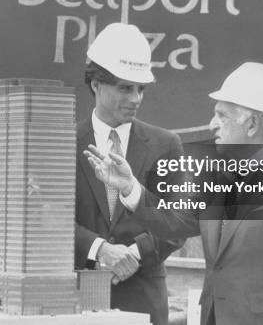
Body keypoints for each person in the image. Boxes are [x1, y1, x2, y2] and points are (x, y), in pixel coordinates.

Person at [85, 62, 263, 325]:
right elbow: (176, 222)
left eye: (222, 116)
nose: (213, 124)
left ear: (252, 125)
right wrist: (130, 188)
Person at [75, 23, 185, 325]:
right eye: (125, 87)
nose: (136, 98)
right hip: (77, 300)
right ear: (96, 84)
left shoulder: (166, 145)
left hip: (144, 299)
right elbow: (49, 219)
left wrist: (133, 255)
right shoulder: (64, 144)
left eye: (141, 89)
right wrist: (100, 250)